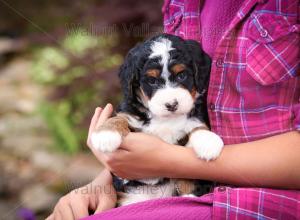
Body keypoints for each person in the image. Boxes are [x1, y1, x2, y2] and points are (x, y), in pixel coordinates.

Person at [47, 0, 300, 219]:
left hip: (263, 199)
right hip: (170, 189)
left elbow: (168, 151)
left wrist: (170, 161)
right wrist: (108, 177)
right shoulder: (182, 3)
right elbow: (157, 133)